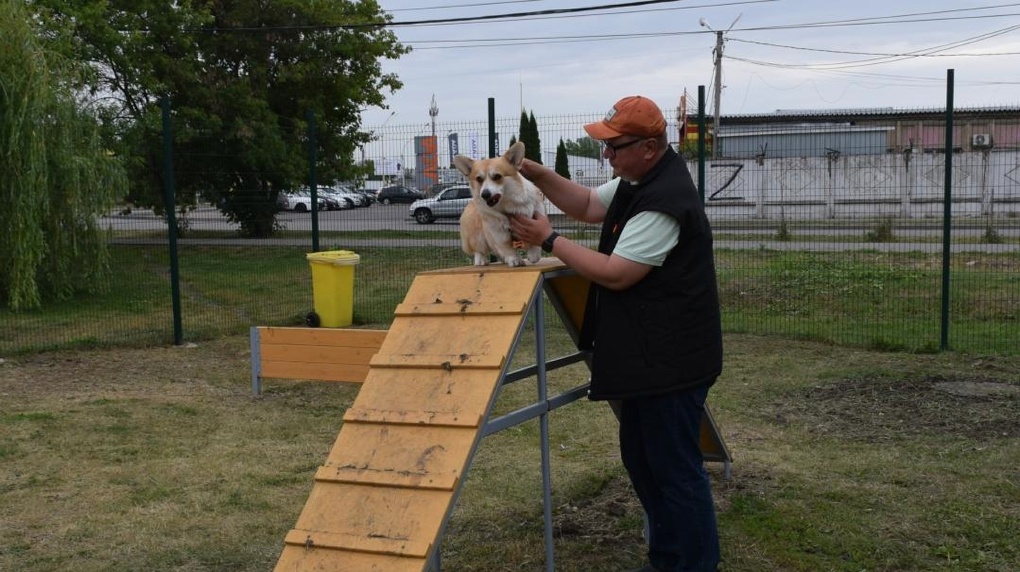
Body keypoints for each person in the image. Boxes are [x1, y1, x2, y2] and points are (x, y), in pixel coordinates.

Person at [509, 95, 723, 572]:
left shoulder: (663, 202)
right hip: (647, 356)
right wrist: (534, 172)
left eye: (615, 146)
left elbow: (615, 273)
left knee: (675, 472)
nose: (606, 155)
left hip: (672, 360)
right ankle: (666, 558)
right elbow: (585, 204)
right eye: (605, 145)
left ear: (649, 147)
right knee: (644, 464)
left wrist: (549, 240)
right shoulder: (637, 179)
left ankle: (692, 564)